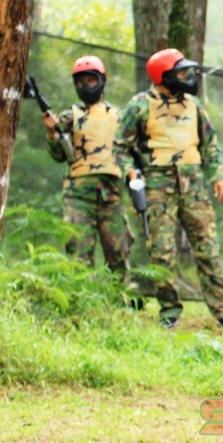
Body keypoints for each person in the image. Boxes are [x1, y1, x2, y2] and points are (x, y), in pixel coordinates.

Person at [114, 48, 223, 329]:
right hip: (158, 187)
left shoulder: (194, 105)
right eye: (181, 73)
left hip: (193, 186)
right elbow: (120, 147)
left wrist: (218, 176)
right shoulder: (140, 106)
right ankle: (169, 311)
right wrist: (131, 171)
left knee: (207, 248)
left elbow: (211, 145)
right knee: (162, 252)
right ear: (163, 76)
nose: (188, 77)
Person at [41, 56, 134, 295]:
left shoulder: (118, 116)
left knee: (118, 249)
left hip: (111, 194)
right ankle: (80, 297)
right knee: (78, 249)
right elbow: (59, 156)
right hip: (77, 194)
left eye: (91, 80)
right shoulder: (69, 116)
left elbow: (129, 152)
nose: (86, 86)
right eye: (81, 81)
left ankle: (117, 299)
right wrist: (52, 134)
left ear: (102, 81)